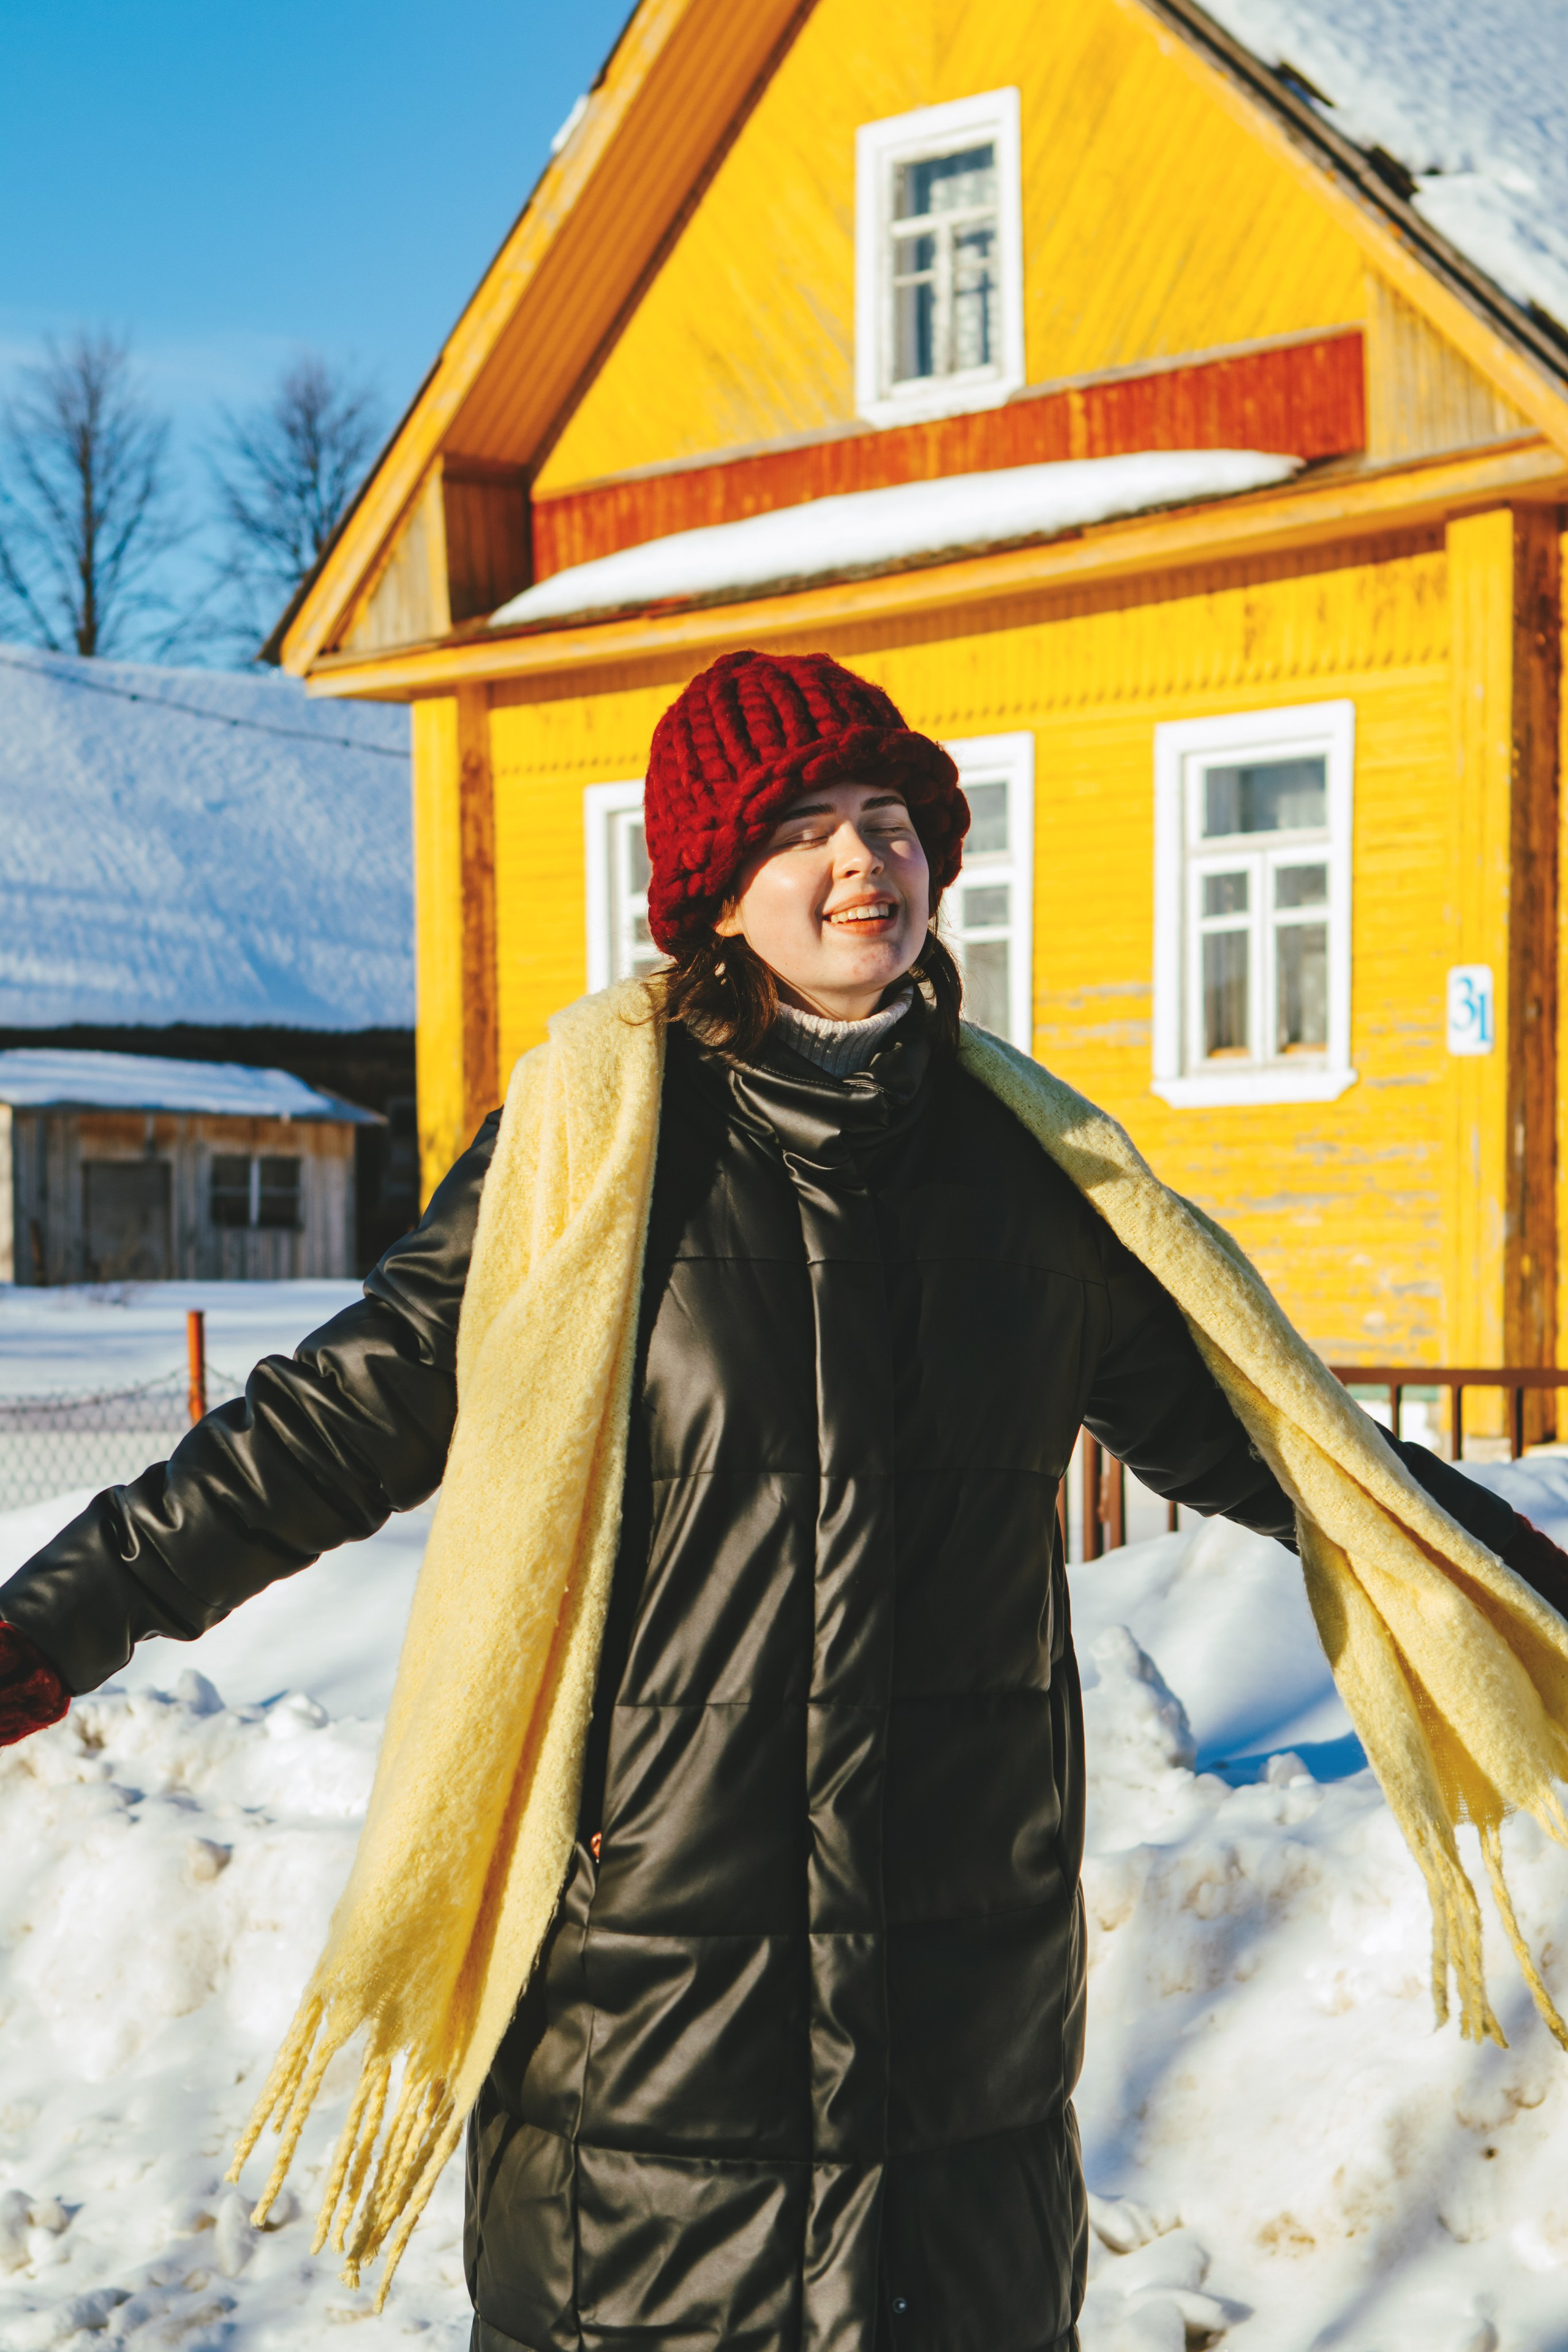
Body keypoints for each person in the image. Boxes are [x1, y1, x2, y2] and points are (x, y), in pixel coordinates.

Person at [2, 647, 1567, 2352]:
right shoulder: (595, 1158)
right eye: (803, 827)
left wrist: (1536, 1598)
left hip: (960, 2024)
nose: (859, 862)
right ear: (717, 896)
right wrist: (48, 1623)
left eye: (887, 818)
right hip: (648, 2010)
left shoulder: (1034, 1191)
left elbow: (1298, 1451)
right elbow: (325, 1428)